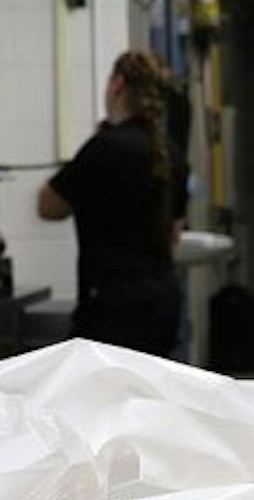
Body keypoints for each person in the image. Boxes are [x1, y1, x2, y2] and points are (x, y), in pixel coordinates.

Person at [36, 50, 189, 356]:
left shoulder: (104, 146)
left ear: (118, 84)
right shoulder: (173, 154)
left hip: (110, 310)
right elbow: (173, 237)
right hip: (162, 305)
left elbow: (48, 207)